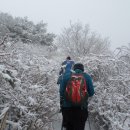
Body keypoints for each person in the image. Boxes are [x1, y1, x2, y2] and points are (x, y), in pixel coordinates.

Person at [60, 63, 94, 130]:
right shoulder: (87, 77)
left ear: (74, 69)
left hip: (67, 108)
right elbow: (91, 93)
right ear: (83, 69)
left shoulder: (66, 76)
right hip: (81, 109)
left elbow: (61, 92)